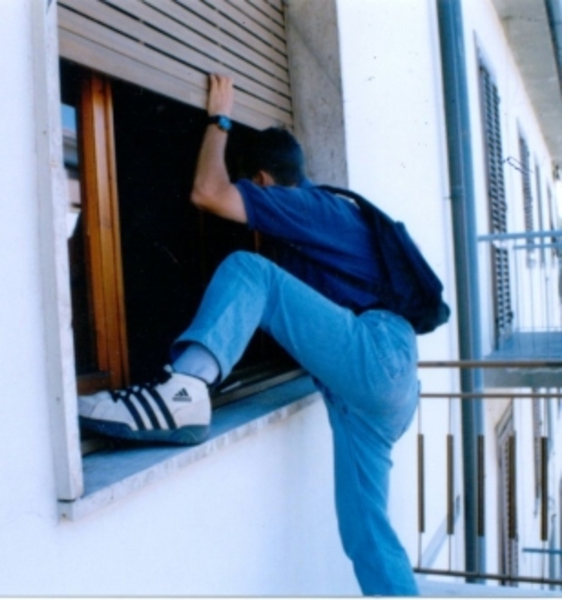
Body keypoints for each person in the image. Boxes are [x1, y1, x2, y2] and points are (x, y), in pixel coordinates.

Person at [78, 74, 420, 596]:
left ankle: (185, 392)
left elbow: (207, 193)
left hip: (375, 356)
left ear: (261, 180)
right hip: (384, 386)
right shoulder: (327, 220)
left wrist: (219, 120)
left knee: (249, 270)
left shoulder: (309, 206)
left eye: (251, 188)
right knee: (367, 537)